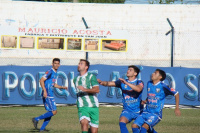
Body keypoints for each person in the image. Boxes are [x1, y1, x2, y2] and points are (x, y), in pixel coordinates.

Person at [132, 69, 181, 133]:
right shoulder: (149, 83)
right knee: (134, 126)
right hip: (146, 112)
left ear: (160, 77)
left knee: (144, 128)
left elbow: (176, 94)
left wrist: (177, 108)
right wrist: (146, 100)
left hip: (155, 114)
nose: (153, 74)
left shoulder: (163, 86)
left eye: (155, 73)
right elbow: (151, 95)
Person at [98, 65, 144, 133]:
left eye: (130, 70)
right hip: (127, 110)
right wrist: (102, 82)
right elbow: (109, 83)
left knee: (143, 128)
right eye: (128, 69)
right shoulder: (122, 82)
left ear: (135, 73)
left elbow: (138, 89)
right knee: (122, 121)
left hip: (139, 111)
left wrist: (126, 83)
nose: (128, 71)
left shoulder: (139, 82)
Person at [32, 58, 68, 132]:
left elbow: (53, 84)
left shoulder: (55, 73)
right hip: (48, 93)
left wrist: (62, 87)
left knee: (50, 112)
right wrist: (44, 91)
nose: (56, 65)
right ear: (52, 64)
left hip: (49, 93)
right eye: (55, 63)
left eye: (58, 63)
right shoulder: (50, 71)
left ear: (59, 65)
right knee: (54, 111)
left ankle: (42, 129)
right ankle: (36, 119)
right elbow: (41, 80)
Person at [73, 59, 100, 133]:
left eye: (81, 64)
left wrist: (84, 89)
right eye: (79, 63)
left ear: (86, 67)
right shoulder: (75, 79)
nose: (79, 65)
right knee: (84, 123)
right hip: (82, 106)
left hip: (94, 106)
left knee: (94, 131)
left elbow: (97, 90)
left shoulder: (91, 77)